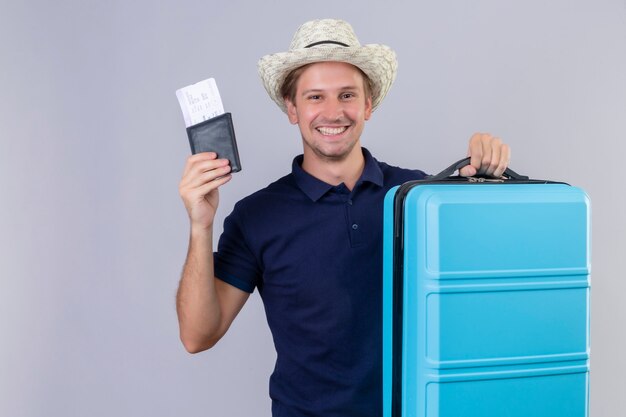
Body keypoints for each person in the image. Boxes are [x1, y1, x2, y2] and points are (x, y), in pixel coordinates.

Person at [176, 19, 510, 417]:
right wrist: (200, 225)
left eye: (347, 95)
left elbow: (488, 291)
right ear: (292, 109)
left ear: (368, 104)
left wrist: (485, 181)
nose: (333, 112)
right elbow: (198, 335)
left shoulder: (419, 196)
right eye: (315, 97)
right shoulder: (256, 217)